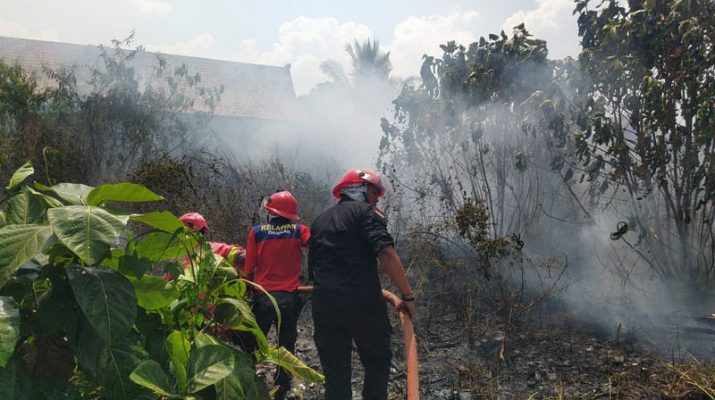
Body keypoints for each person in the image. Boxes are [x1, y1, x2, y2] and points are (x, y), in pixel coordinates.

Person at [308, 168, 416, 400]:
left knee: (336, 375)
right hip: (363, 305)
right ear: (360, 188)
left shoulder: (319, 220)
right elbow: (386, 252)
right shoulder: (367, 213)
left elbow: (314, 267)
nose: (378, 197)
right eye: (375, 191)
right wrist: (407, 296)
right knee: (377, 362)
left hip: (324, 307)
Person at [242, 191, 310, 400]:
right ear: (291, 214)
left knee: (252, 342)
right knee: (286, 343)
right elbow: (315, 243)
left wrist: (245, 291)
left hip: (263, 297)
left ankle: (246, 381)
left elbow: (249, 267)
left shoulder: (257, 232)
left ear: (270, 212)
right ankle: (281, 386)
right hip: (289, 297)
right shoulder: (299, 230)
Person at [177, 212, 246, 271]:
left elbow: (230, 252)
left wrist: (239, 254)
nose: (200, 235)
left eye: (201, 232)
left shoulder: (210, 248)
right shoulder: (172, 256)